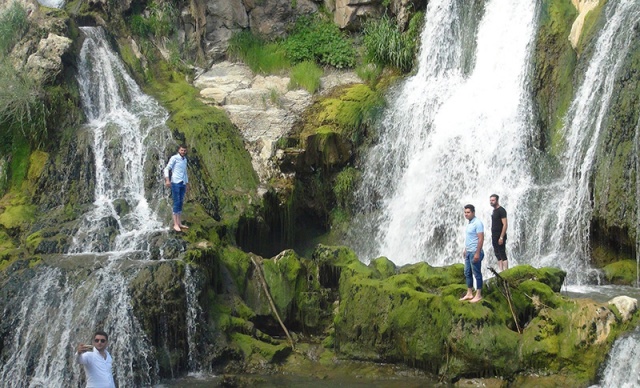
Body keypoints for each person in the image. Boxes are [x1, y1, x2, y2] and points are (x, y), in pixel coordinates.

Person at [459, 204, 484, 303]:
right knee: (467, 272)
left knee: (477, 273)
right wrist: (466, 249)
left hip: (475, 252)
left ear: (473, 212)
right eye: (465, 212)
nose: (466, 214)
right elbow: (470, 238)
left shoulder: (478, 223)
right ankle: (469, 293)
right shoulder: (469, 223)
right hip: (469, 252)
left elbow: (481, 238)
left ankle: (478, 294)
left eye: (468, 212)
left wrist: (477, 253)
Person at [164, 144, 190, 232]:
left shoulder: (185, 159)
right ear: (179, 150)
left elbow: (185, 172)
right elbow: (166, 169)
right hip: (175, 182)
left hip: (182, 183)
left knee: (180, 202)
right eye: (182, 150)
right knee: (176, 202)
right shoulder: (174, 158)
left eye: (184, 150)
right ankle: (175, 224)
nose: (183, 152)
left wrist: (187, 183)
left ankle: (179, 223)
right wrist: (167, 180)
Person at [490, 194, 508, 271]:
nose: (491, 202)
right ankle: (501, 271)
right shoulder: (494, 211)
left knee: (502, 253)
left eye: (493, 200)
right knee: (497, 254)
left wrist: (501, 237)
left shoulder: (501, 210)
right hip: (494, 235)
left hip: (500, 236)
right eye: (490, 200)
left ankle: (506, 271)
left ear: (497, 200)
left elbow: (505, 224)